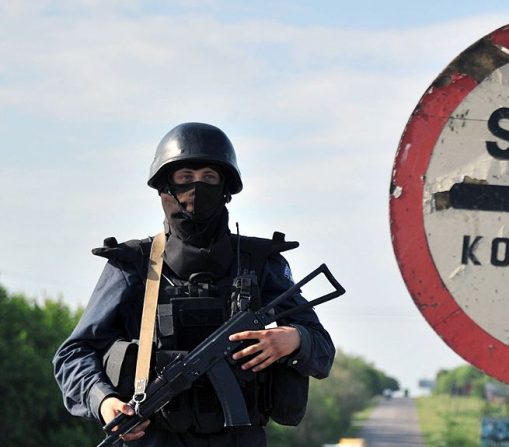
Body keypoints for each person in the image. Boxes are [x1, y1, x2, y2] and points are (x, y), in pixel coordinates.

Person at [53, 122, 335, 446]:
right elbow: (74, 354)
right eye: (185, 177)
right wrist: (104, 402)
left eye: (209, 178)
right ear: (164, 188)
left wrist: (294, 339)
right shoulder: (133, 265)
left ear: (226, 189)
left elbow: (322, 348)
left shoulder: (261, 263)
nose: (197, 189)